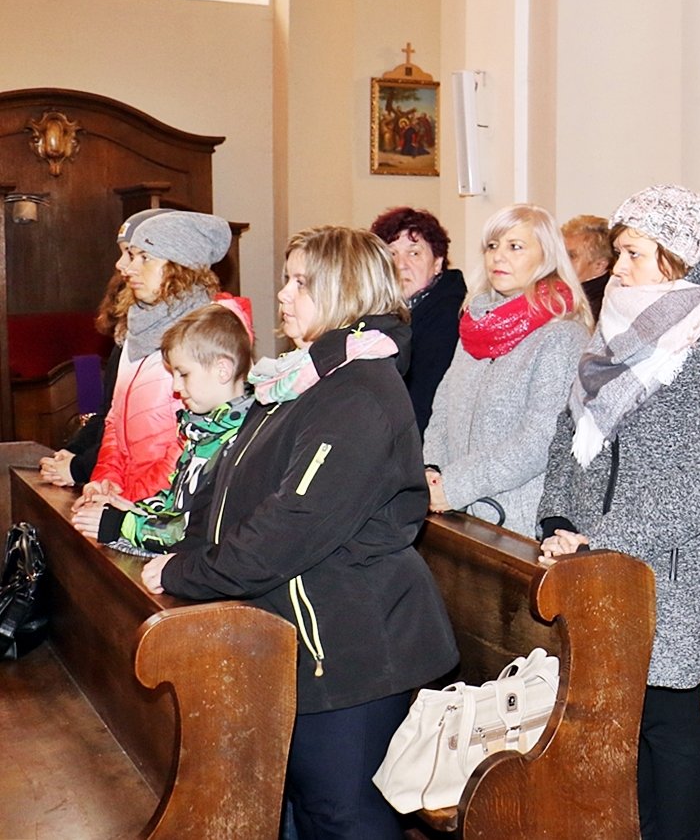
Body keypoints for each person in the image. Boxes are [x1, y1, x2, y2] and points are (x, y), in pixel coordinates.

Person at [143, 226, 458, 840]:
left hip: (351, 649)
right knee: (305, 810)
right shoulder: (300, 380)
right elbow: (227, 483)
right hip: (301, 636)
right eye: (287, 279)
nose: (284, 294)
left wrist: (189, 572)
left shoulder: (358, 394)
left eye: (301, 282)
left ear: (344, 290)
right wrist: (186, 547)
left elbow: (294, 523)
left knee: (344, 816)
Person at [538, 185, 700, 840]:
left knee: (666, 715)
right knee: (624, 712)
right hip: (598, 548)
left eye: (634, 253)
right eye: (618, 252)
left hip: (677, 561)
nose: (618, 268)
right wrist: (558, 518)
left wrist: (604, 541)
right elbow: (571, 425)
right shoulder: (619, 324)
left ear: (677, 257)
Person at [423, 204, 589, 536]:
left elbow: (540, 439)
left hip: (513, 520)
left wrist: (456, 485)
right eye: (492, 246)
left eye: (515, 246)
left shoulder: (562, 335)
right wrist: (432, 469)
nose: (498, 256)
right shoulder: (476, 324)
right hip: (454, 509)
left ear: (546, 256)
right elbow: (442, 410)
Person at [78, 209, 244, 505]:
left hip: (167, 508)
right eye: (133, 256)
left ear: (179, 266)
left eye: (144, 257)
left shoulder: (209, 332)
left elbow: (192, 440)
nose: (127, 268)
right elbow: (115, 422)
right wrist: (105, 482)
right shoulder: (135, 328)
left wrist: (129, 504)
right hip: (126, 504)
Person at [71, 304, 254, 553]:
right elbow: (174, 502)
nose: (176, 387)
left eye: (184, 374)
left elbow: (196, 530)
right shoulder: (202, 430)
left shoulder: (240, 440)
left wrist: (120, 524)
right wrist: (131, 507)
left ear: (223, 370)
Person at [371, 207, 467, 437]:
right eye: (392, 254)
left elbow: (423, 407)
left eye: (414, 253)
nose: (400, 264)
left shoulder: (448, 320)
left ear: (437, 263)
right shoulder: (383, 314)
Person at [38, 271, 127, 486]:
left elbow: (129, 437)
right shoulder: (121, 345)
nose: (121, 264)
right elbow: (104, 417)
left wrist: (77, 468)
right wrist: (70, 452)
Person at [562, 213, 617, 319]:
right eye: (560, 254)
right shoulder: (559, 294)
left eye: (571, 256)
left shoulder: (603, 312)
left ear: (599, 266)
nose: (561, 261)